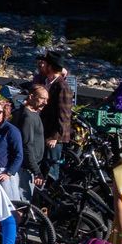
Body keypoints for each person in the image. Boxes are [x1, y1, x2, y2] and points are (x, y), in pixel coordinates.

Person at [36, 52, 72, 180]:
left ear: (50, 67)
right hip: (45, 131)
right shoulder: (47, 81)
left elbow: (64, 115)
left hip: (54, 136)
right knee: (43, 166)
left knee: (51, 170)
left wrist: (55, 136)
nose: (42, 65)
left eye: (45, 64)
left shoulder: (62, 86)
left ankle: (52, 197)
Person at [0, 97, 23, 201]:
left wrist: (8, 173)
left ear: (4, 113)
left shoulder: (11, 130)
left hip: (3, 172)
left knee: (10, 204)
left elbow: (19, 155)